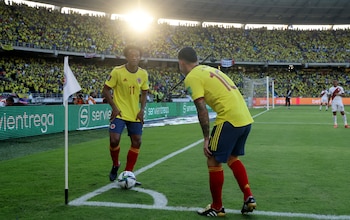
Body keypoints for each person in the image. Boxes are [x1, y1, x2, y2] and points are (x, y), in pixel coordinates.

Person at [177, 47, 256, 217]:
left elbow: (201, 109)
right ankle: (249, 197)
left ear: (181, 62)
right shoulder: (210, 69)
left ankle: (217, 207)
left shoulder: (191, 77)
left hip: (228, 119)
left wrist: (206, 138)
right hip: (245, 118)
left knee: (212, 159)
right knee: (232, 158)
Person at [102, 45, 149, 184]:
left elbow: (145, 92)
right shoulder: (117, 72)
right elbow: (105, 90)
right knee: (114, 140)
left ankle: (128, 173)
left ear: (140, 57)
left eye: (137, 55)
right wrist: (114, 107)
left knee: (137, 142)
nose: (134, 57)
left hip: (134, 114)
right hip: (119, 113)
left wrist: (142, 110)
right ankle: (116, 164)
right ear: (127, 57)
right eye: (131, 55)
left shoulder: (143, 74)